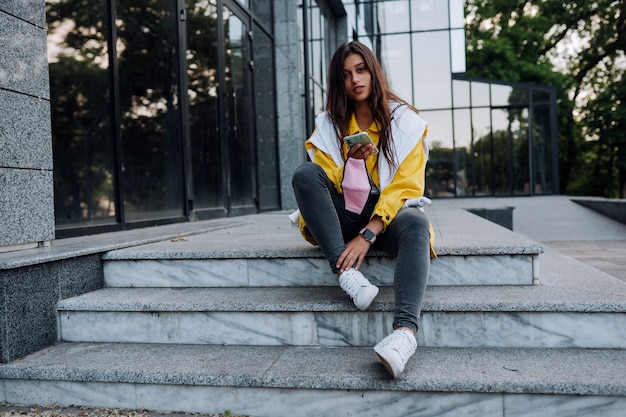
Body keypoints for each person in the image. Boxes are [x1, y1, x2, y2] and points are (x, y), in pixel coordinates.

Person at [291, 41, 436, 378]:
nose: (355, 79)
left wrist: (369, 234)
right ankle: (347, 275)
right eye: (345, 74)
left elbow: (405, 188)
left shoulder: (405, 122)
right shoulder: (330, 125)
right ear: (338, 82)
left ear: (373, 72)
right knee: (304, 174)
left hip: (385, 221)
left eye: (361, 70)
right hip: (342, 219)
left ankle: (404, 336)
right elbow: (322, 182)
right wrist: (351, 166)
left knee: (415, 222)